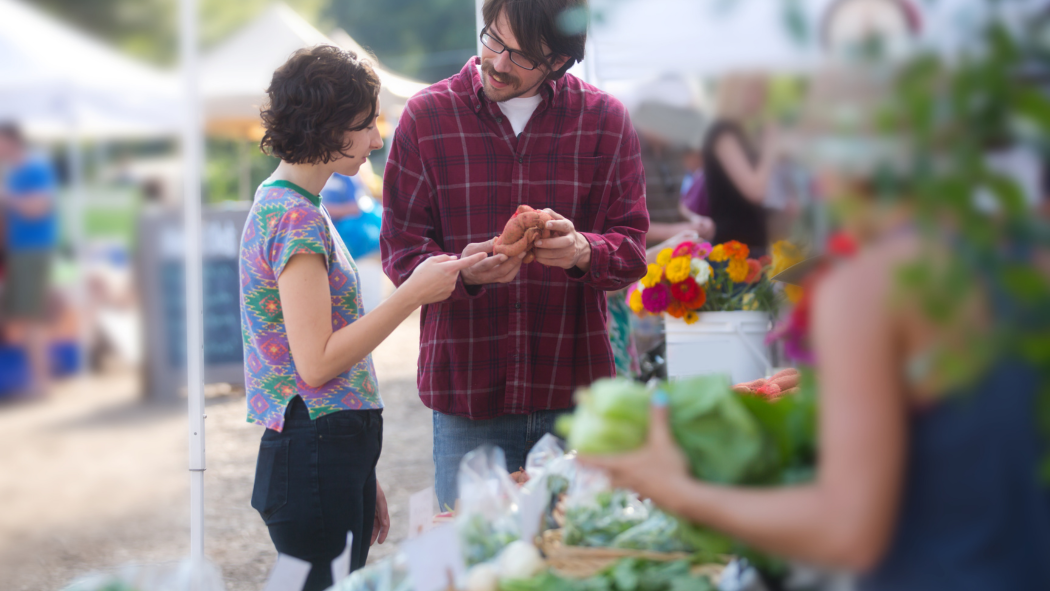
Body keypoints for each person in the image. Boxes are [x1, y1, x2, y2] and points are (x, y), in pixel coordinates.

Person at [381, 0, 649, 509]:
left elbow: (632, 248)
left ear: (560, 62)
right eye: (493, 41)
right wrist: (467, 273)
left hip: (575, 396)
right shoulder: (427, 116)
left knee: (575, 564)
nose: (498, 62)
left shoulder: (604, 120)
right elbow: (401, 252)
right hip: (468, 398)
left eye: (522, 56)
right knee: (473, 570)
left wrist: (581, 251)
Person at [239, 45, 484, 590]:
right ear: (323, 126)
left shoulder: (295, 204)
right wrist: (411, 295)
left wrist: (361, 472)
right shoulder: (296, 217)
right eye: (364, 124)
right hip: (314, 449)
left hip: (323, 450)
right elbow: (318, 362)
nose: (376, 140)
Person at [0, 123, 58, 398]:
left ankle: (42, 381)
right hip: (20, 252)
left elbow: (40, 207)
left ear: (11, 141)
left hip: (34, 250)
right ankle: (41, 375)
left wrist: (8, 198)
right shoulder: (14, 173)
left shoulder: (35, 168)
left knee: (32, 317)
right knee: (23, 317)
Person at [703, 73, 781, 256]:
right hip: (734, 252)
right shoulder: (723, 133)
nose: (762, 96)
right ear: (737, 91)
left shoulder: (739, 133)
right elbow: (755, 191)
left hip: (750, 245)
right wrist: (770, 146)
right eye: (756, 89)